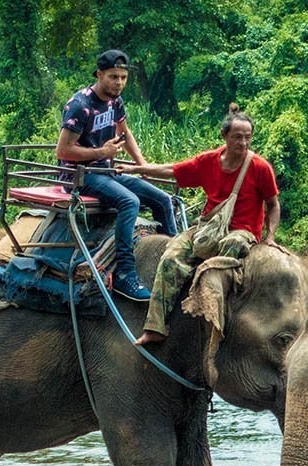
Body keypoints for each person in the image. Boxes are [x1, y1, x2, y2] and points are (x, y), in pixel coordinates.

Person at [123, 104, 281, 345]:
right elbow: (173, 170)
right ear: (224, 136)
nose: (243, 143)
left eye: (248, 137)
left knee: (232, 245)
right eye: (237, 137)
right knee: (170, 257)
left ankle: (213, 306)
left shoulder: (260, 167)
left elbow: (273, 204)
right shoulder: (209, 161)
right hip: (208, 226)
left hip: (242, 231)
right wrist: (139, 169)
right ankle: (155, 326)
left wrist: (269, 237)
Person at [55, 49, 179, 302]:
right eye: (113, 77)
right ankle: (125, 273)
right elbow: (63, 150)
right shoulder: (80, 106)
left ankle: (176, 256)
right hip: (80, 175)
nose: (119, 83)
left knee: (162, 199)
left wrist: (143, 166)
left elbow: (125, 132)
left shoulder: (115, 101)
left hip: (106, 171)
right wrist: (101, 152)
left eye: (123, 77)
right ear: (99, 74)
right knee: (129, 201)